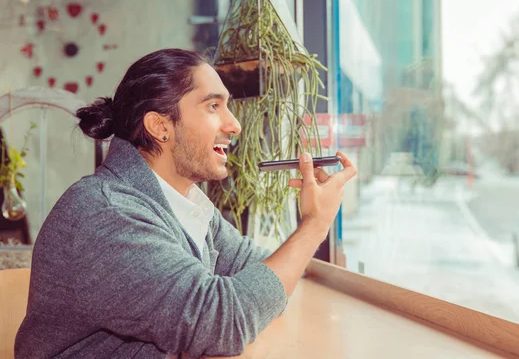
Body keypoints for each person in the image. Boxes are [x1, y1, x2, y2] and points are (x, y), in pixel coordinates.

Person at [15, 48, 357, 358]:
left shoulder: (182, 201)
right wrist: (315, 224)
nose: (234, 124)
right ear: (160, 126)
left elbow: (262, 280)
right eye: (213, 106)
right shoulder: (105, 213)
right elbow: (222, 324)